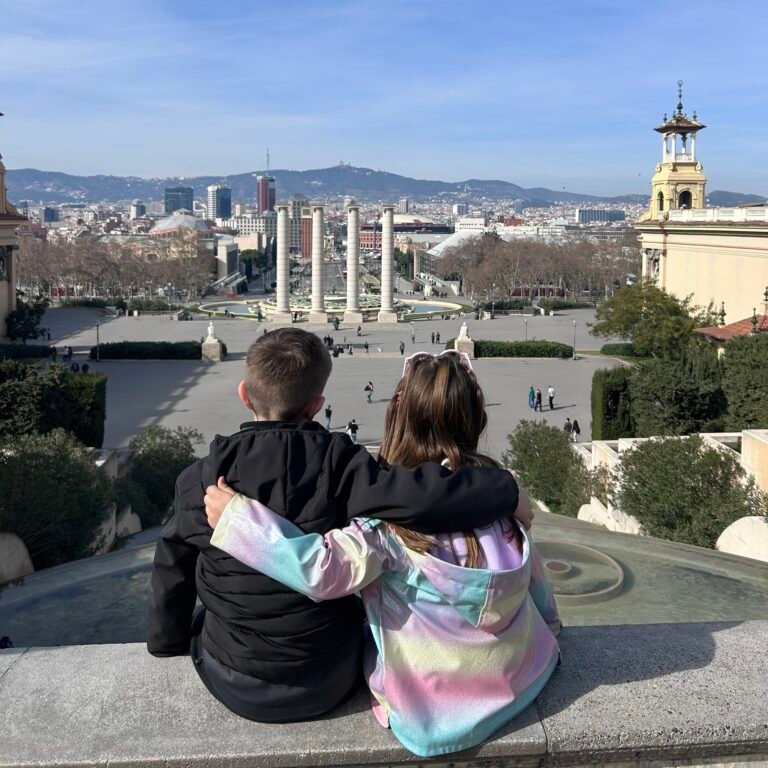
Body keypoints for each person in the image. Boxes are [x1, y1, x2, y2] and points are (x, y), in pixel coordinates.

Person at [148, 328, 526, 726]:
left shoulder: (200, 480)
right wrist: (505, 487)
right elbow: (424, 497)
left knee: (206, 619)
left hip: (234, 680)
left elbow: (172, 564)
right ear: (316, 405)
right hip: (330, 675)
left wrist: (166, 641)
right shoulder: (342, 464)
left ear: (244, 395)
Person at [205, 350, 559, 758]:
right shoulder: (504, 491)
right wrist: (550, 626)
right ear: (476, 415)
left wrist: (238, 521)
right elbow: (533, 572)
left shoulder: (389, 528)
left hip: (435, 714)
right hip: (526, 673)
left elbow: (320, 571)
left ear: (398, 415)